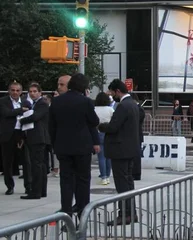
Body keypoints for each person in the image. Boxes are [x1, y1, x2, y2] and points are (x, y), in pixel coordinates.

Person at [49, 73, 100, 216]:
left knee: (66, 180)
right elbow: (94, 121)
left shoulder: (57, 102)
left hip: (63, 146)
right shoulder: (86, 102)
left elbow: (51, 126)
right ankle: (82, 211)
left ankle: (66, 212)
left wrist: (55, 144)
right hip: (82, 147)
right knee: (83, 179)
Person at [99, 79, 140, 226]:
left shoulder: (123, 106)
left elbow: (113, 127)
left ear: (117, 91)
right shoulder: (133, 104)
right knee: (128, 182)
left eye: (111, 92)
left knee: (122, 184)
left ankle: (125, 214)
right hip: (130, 149)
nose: (111, 95)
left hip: (120, 150)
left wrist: (101, 126)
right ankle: (131, 213)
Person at [19, 83, 50, 200]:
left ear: (40, 93)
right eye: (30, 91)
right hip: (35, 137)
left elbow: (35, 117)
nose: (32, 93)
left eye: (35, 91)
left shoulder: (42, 104)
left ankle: (36, 191)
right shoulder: (35, 104)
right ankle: (41, 191)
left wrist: (21, 120)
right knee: (39, 165)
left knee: (37, 165)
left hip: (38, 138)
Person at [0, 81, 30, 195]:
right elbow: (7, 113)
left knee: (26, 162)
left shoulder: (26, 101)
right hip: (8, 135)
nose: (15, 92)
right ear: (9, 91)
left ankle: (28, 186)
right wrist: (21, 110)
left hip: (22, 134)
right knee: (8, 163)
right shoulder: (3, 101)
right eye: (13, 90)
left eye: (17, 90)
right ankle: (10, 186)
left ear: (21, 92)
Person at [94, 92, 114, 185]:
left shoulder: (94, 109)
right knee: (109, 156)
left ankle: (103, 176)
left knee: (101, 157)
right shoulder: (110, 109)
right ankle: (108, 176)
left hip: (98, 133)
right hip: (109, 133)